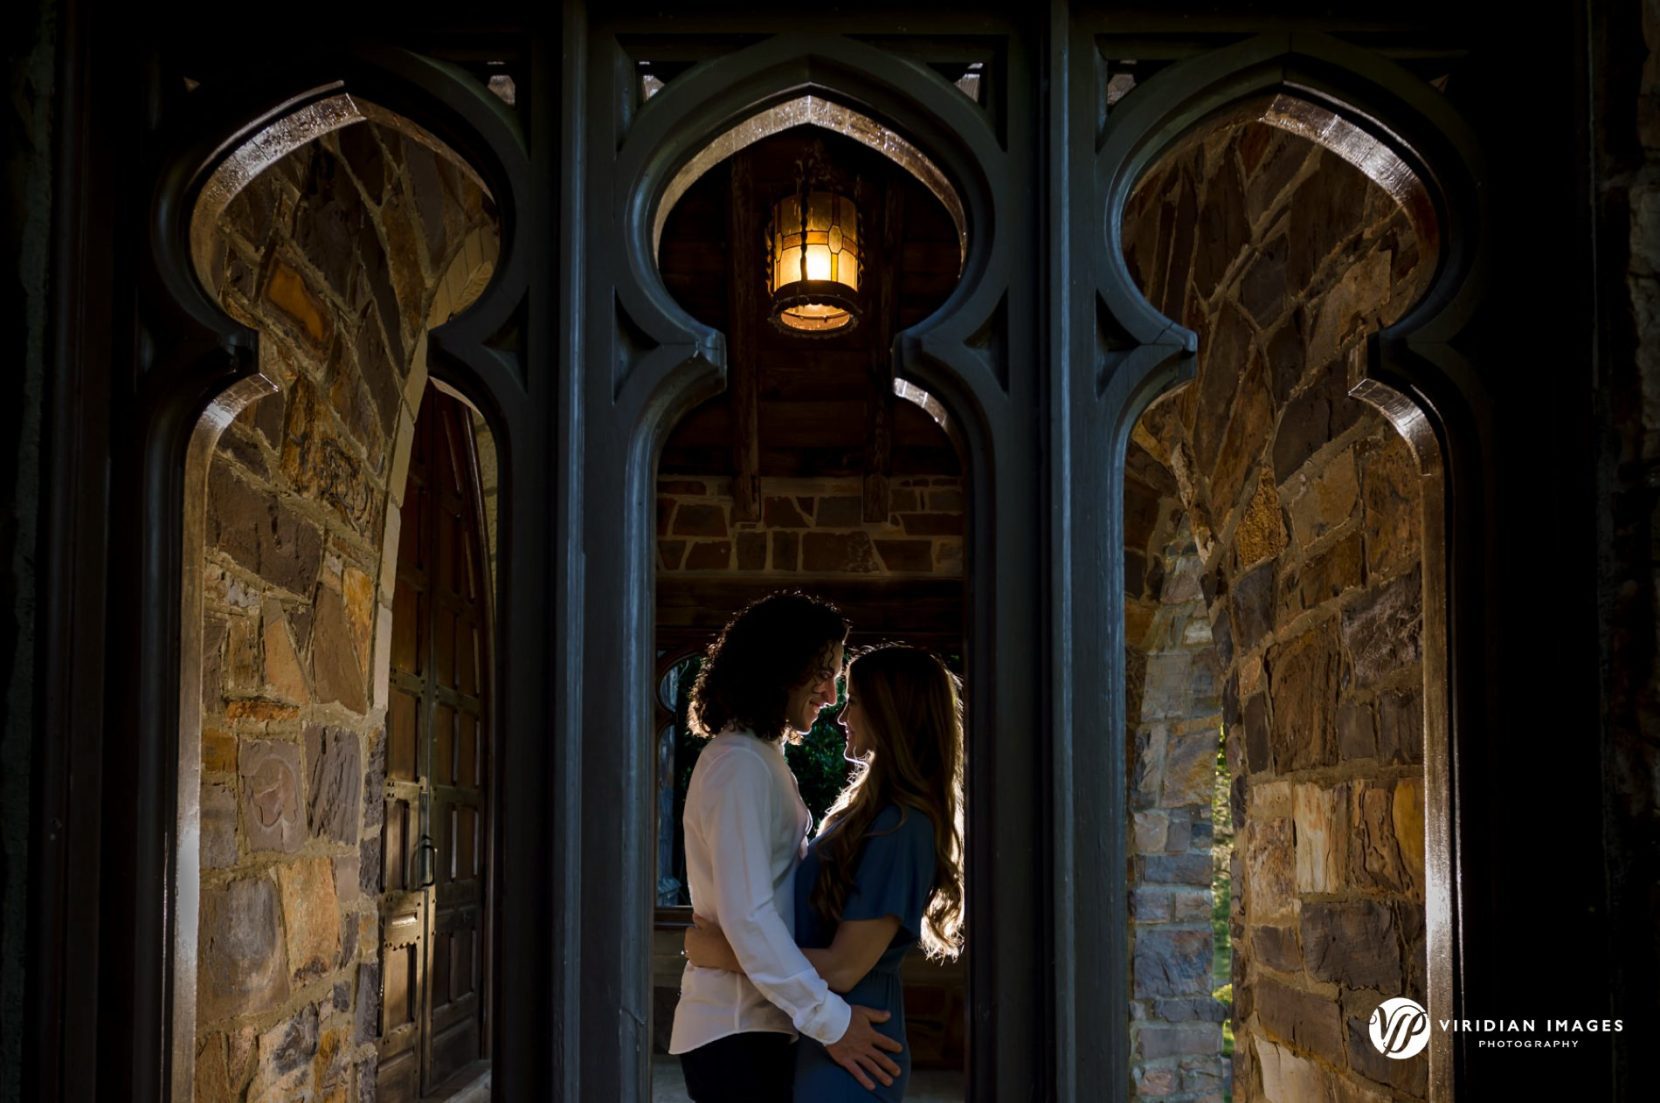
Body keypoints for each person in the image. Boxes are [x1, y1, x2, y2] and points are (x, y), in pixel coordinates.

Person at [685, 644, 966, 1103]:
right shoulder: (867, 812)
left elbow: (843, 966)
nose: (841, 715)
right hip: (823, 1034)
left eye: (853, 701)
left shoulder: (904, 826)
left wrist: (722, 951)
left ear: (890, 713)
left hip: (858, 1044)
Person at [669, 592, 905, 1102]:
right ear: (777, 667)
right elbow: (751, 918)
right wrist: (833, 1022)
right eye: (820, 673)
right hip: (735, 1028)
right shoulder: (739, 765)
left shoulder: (761, 758)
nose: (830, 692)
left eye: (836, 676)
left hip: (761, 1024)